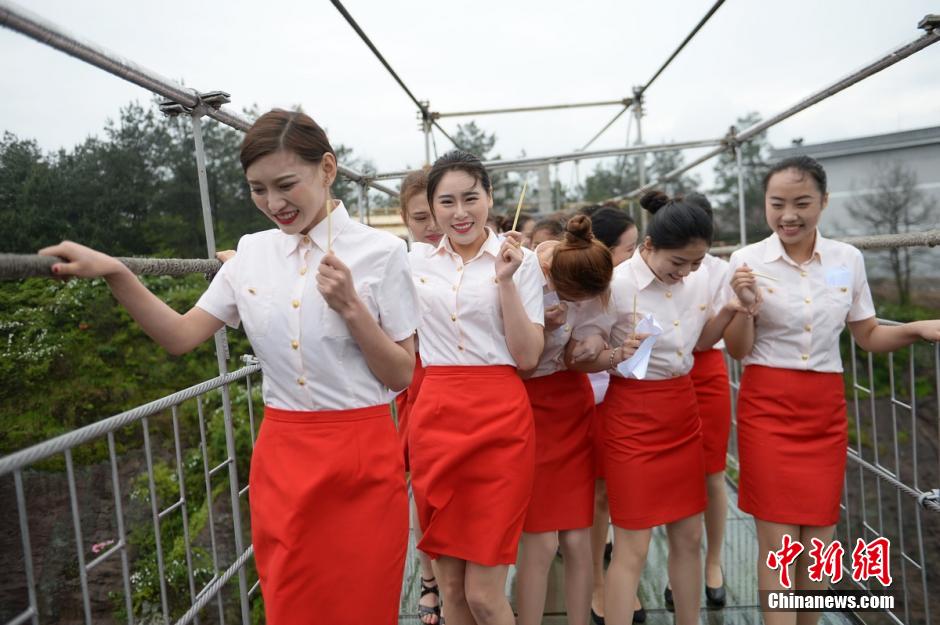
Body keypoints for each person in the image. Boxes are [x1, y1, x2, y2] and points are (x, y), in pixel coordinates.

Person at [39, 109, 418, 624]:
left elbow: (401, 374)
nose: (274, 204)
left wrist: (351, 307)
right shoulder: (249, 255)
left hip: (363, 459)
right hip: (283, 459)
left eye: (286, 185)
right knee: (290, 608)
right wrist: (116, 271)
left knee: (363, 607)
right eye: (257, 190)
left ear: (327, 169)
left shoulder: (384, 253)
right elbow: (179, 336)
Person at [723, 155, 940, 625]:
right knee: (779, 543)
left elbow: (866, 335)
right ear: (765, 204)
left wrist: (918, 328)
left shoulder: (847, 258)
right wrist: (743, 307)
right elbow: (738, 351)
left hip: (823, 407)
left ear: (824, 201)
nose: (788, 215)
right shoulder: (746, 261)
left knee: (819, 539)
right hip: (767, 404)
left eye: (802, 203)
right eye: (777, 204)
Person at [570, 190, 744, 625]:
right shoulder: (615, 284)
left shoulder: (700, 280)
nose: (684, 273)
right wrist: (605, 350)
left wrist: (729, 311)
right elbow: (581, 353)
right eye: (677, 263)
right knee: (633, 543)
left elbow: (701, 344)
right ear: (648, 247)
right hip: (631, 414)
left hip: (683, 411)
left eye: (696, 264)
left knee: (688, 537)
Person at [408, 150, 545, 625]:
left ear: (490, 199)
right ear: (432, 207)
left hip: (500, 421)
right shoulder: (413, 263)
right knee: (451, 590)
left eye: (471, 198)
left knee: (485, 594)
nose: (460, 212)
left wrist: (505, 281)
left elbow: (527, 357)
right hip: (436, 418)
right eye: (447, 201)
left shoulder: (520, 262)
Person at [515, 215, 616, 625]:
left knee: (578, 539)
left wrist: (591, 343)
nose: (575, 304)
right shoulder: (519, 269)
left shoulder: (591, 273)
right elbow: (514, 362)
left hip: (572, 407)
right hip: (525, 403)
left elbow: (579, 358)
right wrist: (543, 332)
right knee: (538, 541)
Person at [663, 192, 731, 611]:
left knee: (712, 471)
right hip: (666, 376)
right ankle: (681, 566)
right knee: (673, 475)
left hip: (705, 371)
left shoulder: (723, 270)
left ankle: (713, 561)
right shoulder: (659, 266)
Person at [577, 205, 644, 624]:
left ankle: (614, 579)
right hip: (588, 398)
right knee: (598, 495)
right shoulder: (585, 286)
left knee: (614, 493)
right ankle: (597, 584)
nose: (633, 260)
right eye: (627, 250)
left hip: (621, 394)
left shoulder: (631, 285)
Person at [396, 166, 444, 623]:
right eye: (418, 218)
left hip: (466, 383)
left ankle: (458, 580)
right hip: (417, 380)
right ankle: (431, 578)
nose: (431, 226)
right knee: (423, 489)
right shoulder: (399, 262)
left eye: (436, 212)